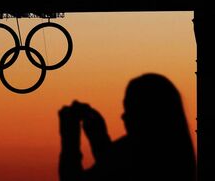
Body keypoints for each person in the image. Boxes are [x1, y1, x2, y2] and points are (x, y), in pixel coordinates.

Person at [58, 73, 196, 181]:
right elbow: (111, 167)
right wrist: (99, 139)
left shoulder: (134, 154)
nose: (123, 116)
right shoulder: (175, 156)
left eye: (129, 109)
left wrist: (70, 138)